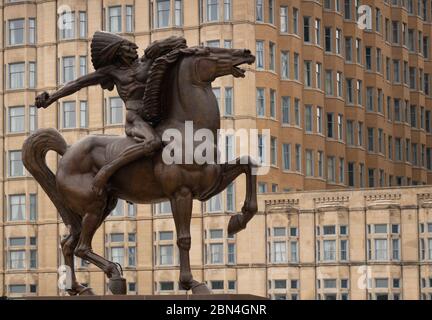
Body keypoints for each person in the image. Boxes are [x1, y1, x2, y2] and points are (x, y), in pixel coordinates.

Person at [35, 31, 187, 194]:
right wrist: (51, 98)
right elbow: (78, 83)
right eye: (129, 47)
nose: (134, 48)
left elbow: (180, 42)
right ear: (118, 52)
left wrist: (159, 45)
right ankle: (108, 170)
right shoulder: (111, 72)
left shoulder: (148, 60)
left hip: (158, 116)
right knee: (152, 142)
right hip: (136, 120)